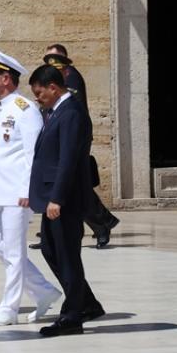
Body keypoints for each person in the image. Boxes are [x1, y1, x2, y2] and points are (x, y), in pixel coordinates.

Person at [0, 49, 60, 326]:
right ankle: (44, 292)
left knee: (13, 253)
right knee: (0, 248)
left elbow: (34, 154)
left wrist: (27, 191)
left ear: (6, 78)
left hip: (16, 193)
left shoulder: (25, 109)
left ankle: (9, 309)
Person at [28, 64, 106, 336]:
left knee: (67, 255)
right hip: (54, 197)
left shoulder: (71, 112)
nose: (38, 98)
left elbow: (68, 160)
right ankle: (87, 303)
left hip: (65, 199)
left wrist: (57, 198)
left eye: (40, 93)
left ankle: (72, 316)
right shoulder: (57, 111)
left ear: (53, 87)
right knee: (51, 250)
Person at [43, 44, 120, 248]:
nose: (50, 63)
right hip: (56, 138)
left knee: (74, 186)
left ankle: (102, 222)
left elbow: (72, 113)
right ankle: (51, 232)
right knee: (59, 184)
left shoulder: (71, 77)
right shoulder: (51, 80)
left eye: (54, 59)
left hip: (71, 139)